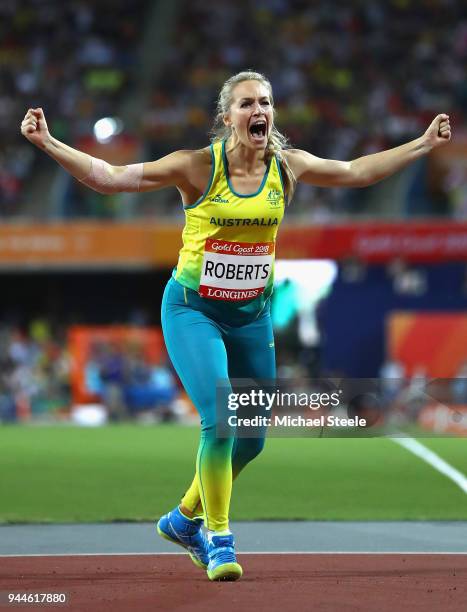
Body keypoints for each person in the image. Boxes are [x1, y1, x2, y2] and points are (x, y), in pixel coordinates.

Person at [21, 70, 451, 581]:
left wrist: (422, 144)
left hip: (252, 315)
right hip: (193, 309)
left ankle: (183, 518)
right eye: (247, 103)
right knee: (221, 418)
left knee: (252, 440)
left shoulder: (286, 167)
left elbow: (357, 171)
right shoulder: (197, 167)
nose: (259, 111)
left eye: (266, 102)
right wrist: (48, 142)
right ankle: (219, 539)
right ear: (228, 118)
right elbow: (110, 179)